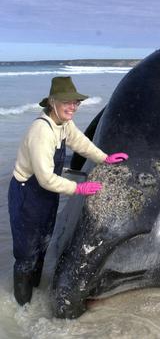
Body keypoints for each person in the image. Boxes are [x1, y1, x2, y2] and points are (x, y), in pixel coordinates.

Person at [8, 76, 128, 306]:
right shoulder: (41, 132)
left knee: (42, 245)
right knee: (26, 254)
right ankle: (22, 308)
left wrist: (105, 158)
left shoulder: (64, 124)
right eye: (67, 102)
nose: (73, 107)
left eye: (76, 102)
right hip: (27, 194)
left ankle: (33, 294)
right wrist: (78, 188)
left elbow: (80, 142)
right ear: (53, 102)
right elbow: (45, 178)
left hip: (46, 194)